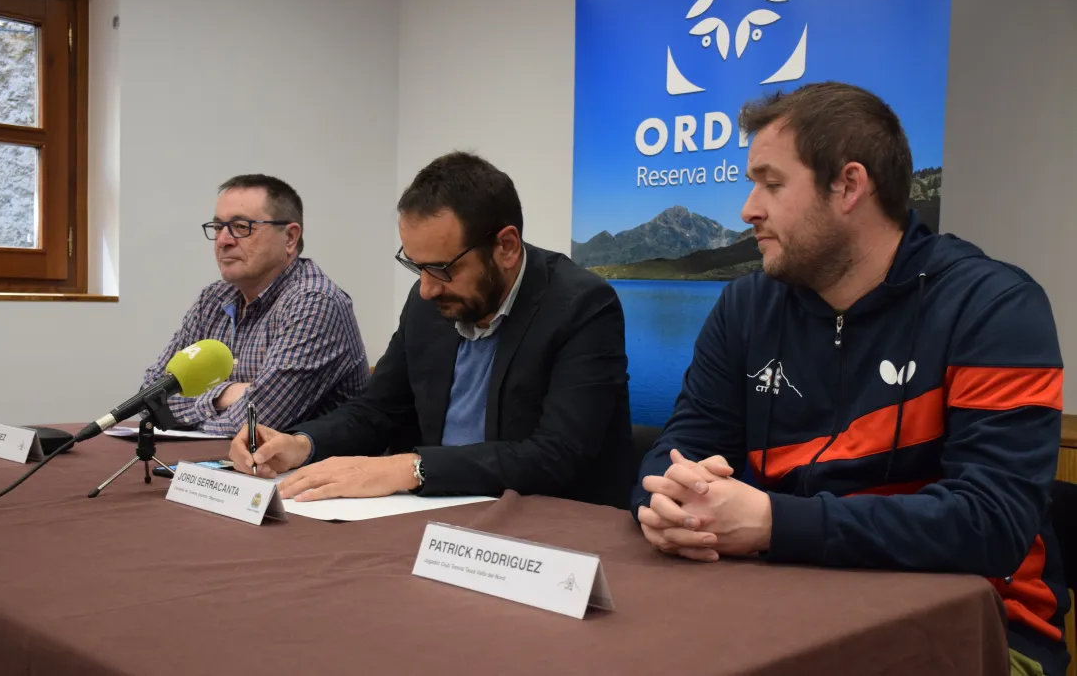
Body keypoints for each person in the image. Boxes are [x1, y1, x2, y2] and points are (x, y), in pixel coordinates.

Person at [632, 82, 1068, 676]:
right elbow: (675, 453)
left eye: (772, 183)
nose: (747, 209)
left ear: (849, 186)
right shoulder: (744, 308)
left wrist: (771, 524)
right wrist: (667, 504)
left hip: (981, 628)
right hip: (774, 604)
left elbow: (991, 522)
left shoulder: (994, 308)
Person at [229, 151, 634, 508]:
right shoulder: (428, 305)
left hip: (551, 525)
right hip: (438, 514)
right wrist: (302, 444)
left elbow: (556, 455)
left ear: (506, 247)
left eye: (442, 268)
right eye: (416, 265)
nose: (426, 288)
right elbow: (378, 410)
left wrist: (412, 468)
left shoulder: (582, 306)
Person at [141, 174, 370, 435]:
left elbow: (253, 425)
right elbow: (149, 398)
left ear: (290, 238)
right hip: (224, 467)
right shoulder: (213, 299)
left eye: (241, 227)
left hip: (309, 472)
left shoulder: (315, 303)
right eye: (218, 228)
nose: (223, 241)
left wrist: (195, 406)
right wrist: (224, 395)